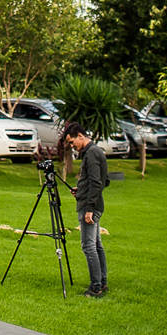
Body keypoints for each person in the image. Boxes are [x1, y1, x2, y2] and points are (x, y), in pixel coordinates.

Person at [65, 121, 109, 298]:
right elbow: (100, 181)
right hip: (93, 202)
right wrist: (80, 190)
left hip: (90, 207)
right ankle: (102, 282)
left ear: (80, 136)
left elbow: (97, 183)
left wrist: (89, 208)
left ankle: (95, 287)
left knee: (88, 246)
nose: (71, 146)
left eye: (71, 142)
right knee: (96, 245)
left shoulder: (91, 153)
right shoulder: (96, 152)